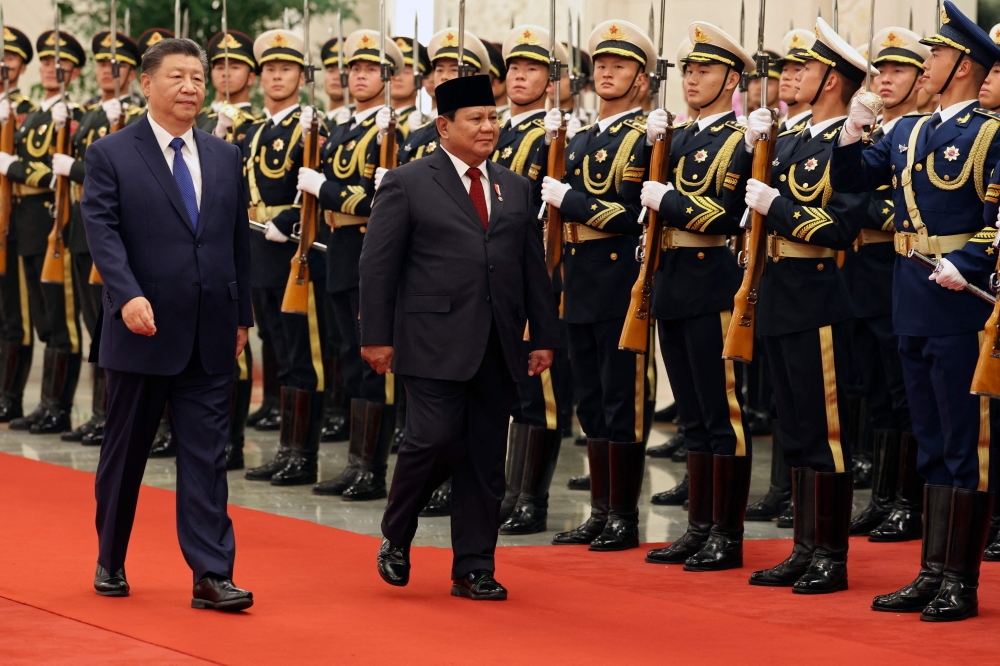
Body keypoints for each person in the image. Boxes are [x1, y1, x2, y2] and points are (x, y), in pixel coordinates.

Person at [830, 1, 1000, 621]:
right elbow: (851, 181)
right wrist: (851, 131)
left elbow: (999, 219)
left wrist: (976, 264)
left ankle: (960, 579)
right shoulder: (909, 131)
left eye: (934, 55)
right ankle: (931, 571)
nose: (924, 65)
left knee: (963, 444)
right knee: (929, 440)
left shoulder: (989, 132)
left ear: (961, 65)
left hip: (959, 300)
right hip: (910, 296)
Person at [364, 74, 559, 600]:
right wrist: (376, 336)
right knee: (432, 439)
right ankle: (397, 533)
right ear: (443, 126)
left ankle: (474, 566)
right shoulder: (407, 182)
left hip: (498, 344)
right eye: (476, 119)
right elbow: (378, 267)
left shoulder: (513, 186)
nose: (488, 127)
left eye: (493, 118)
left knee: (484, 457)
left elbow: (531, 267)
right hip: (430, 340)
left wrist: (542, 334)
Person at [81, 36, 253, 611]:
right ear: (146, 84)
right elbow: (102, 232)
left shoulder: (226, 155)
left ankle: (211, 573)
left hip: (211, 331)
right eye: (177, 77)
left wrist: (242, 316)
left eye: (198, 79)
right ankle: (110, 556)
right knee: (126, 452)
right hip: (142, 329)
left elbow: (236, 243)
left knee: (207, 457)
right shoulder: (111, 153)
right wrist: (125, 296)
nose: (190, 88)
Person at [728, 17, 870, 594]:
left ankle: (830, 556)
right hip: (780, 293)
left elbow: (840, 227)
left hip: (820, 298)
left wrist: (779, 207)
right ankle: (804, 547)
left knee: (825, 430)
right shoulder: (791, 138)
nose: (790, 77)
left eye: (802, 69)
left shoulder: (850, 143)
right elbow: (742, 191)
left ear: (832, 80)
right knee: (792, 424)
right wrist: (749, 144)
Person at [640, 22, 753, 572]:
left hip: (712, 282)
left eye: (704, 70)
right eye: (687, 69)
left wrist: (674, 201)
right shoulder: (678, 138)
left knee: (719, 413)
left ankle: (725, 534)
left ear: (730, 77)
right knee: (689, 414)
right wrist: (652, 143)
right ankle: (699, 526)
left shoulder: (737, 141)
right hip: (673, 281)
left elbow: (729, 216)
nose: (691, 78)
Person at [542, 20, 654, 552]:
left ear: (642, 77)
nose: (608, 74)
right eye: (602, 66)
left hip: (618, 280)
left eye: (621, 66)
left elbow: (632, 214)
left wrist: (572, 201)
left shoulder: (646, 138)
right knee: (588, 398)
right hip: (580, 278)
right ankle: (602, 511)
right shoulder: (583, 138)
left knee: (619, 398)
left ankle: (624, 517)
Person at [301, 30, 404, 501]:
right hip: (340, 249)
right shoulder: (343, 129)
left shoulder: (391, 132)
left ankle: (373, 469)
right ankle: (357, 463)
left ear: (389, 77)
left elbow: (381, 200)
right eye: (355, 70)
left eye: (371, 70)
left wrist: (325, 190)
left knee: (374, 361)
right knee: (349, 356)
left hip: (370, 249)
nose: (360, 77)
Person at [238, 29, 327, 487]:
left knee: (301, 353)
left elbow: (321, 183)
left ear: (300, 75)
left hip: (296, 251)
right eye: (269, 70)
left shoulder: (312, 126)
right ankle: (285, 450)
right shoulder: (255, 130)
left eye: (286, 69)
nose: (276, 76)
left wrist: (292, 219)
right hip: (258, 249)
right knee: (273, 345)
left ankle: (302, 455)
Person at [845, 27, 924, 540]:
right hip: (860, 272)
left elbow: (910, 210)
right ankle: (883, 495)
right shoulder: (875, 132)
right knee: (874, 391)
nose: (885, 79)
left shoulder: (920, 132)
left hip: (899, 269)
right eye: (881, 70)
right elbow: (843, 186)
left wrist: (863, 209)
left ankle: (908, 500)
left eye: (899, 70)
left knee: (904, 393)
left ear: (924, 80)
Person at [492, 24, 567, 535]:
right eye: (515, 68)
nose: (520, 76)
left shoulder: (555, 133)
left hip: (537, 267)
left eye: (532, 69)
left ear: (552, 78)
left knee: (540, 390)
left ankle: (531, 499)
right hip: (496, 270)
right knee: (509, 387)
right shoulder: (495, 128)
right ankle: (508, 491)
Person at [57, 29, 142, 448]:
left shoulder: (139, 112)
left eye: (117, 64)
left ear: (131, 70)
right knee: (95, 326)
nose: (108, 71)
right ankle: (97, 414)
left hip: (119, 231)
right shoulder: (92, 112)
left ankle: (112, 414)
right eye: (102, 64)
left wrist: (70, 169)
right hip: (80, 226)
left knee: (112, 324)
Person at [0, 29, 85, 435]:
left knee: (60, 318)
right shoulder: (32, 116)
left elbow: (56, 174)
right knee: (39, 317)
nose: (52, 68)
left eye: (60, 63)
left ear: (75, 70)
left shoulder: (75, 115)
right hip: (23, 223)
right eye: (47, 62)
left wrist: (14, 168)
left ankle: (58, 407)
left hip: (54, 220)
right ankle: (44, 404)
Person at [0, 26, 37, 424]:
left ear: (20, 66)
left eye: (9, 59)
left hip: (13, 223)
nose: (2, 65)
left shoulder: (27, 113)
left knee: (15, 315)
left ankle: (10, 396)